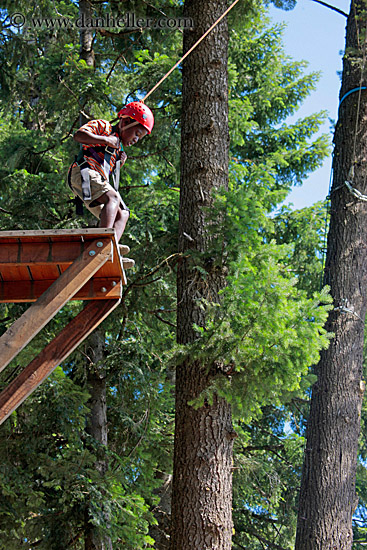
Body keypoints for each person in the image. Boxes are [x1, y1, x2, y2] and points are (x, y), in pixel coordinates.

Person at [68, 101, 154, 269]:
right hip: (83, 172)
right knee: (113, 198)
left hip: (94, 179)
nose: (136, 139)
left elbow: (105, 172)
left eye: (140, 137)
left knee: (123, 213)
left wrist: (119, 162)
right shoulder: (104, 127)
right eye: (136, 133)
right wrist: (105, 139)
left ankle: (109, 246)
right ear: (124, 122)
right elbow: (79, 135)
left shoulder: (117, 148)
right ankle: (102, 245)